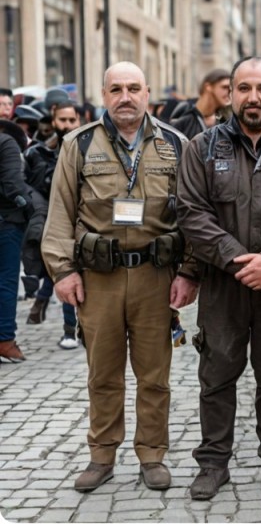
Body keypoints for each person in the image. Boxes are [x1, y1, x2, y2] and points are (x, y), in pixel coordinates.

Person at [41, 61, 199, 492]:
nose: (125, 97)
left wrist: (188, 272)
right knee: (103, 374)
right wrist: (62, 270)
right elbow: (60, 212)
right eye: (116, 89)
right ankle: (102, 454)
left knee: (154, 376)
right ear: (104, 94)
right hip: (99, 279)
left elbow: (193, 215)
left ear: (147, 93)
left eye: (133, 88)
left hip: (156, 277)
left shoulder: (176, 144)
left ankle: (152, 455)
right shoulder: (79, 143)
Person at [176, 56, 261, 500]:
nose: (254, 97)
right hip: (223, 285)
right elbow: (191, 213)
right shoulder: (203, 146)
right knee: (216, 376)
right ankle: (214, 463)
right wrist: (238, 259)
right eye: (244, 88)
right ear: (230, 93)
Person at [23, 98, 82, 348]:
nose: (67, 125)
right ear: (53, 120)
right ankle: (70, 330)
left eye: (72, 120)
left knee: (73, 272)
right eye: (63, 120)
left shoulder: (88, 147)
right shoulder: (39, 152)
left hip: (82, 221)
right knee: (63, 270)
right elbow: (29, 184)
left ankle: (44, 301)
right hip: (50, 220)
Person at [0, 119, 33, 362]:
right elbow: (13, 184)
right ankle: (5, 340)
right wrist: (31, 207)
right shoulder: (7, 141)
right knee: (6, 282)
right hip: (6, 222)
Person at [170, 68, 231, 140]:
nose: (229, 92)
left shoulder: (227, 122)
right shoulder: (183, 118)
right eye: (225, 87)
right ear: (208, 87)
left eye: (230, 89)